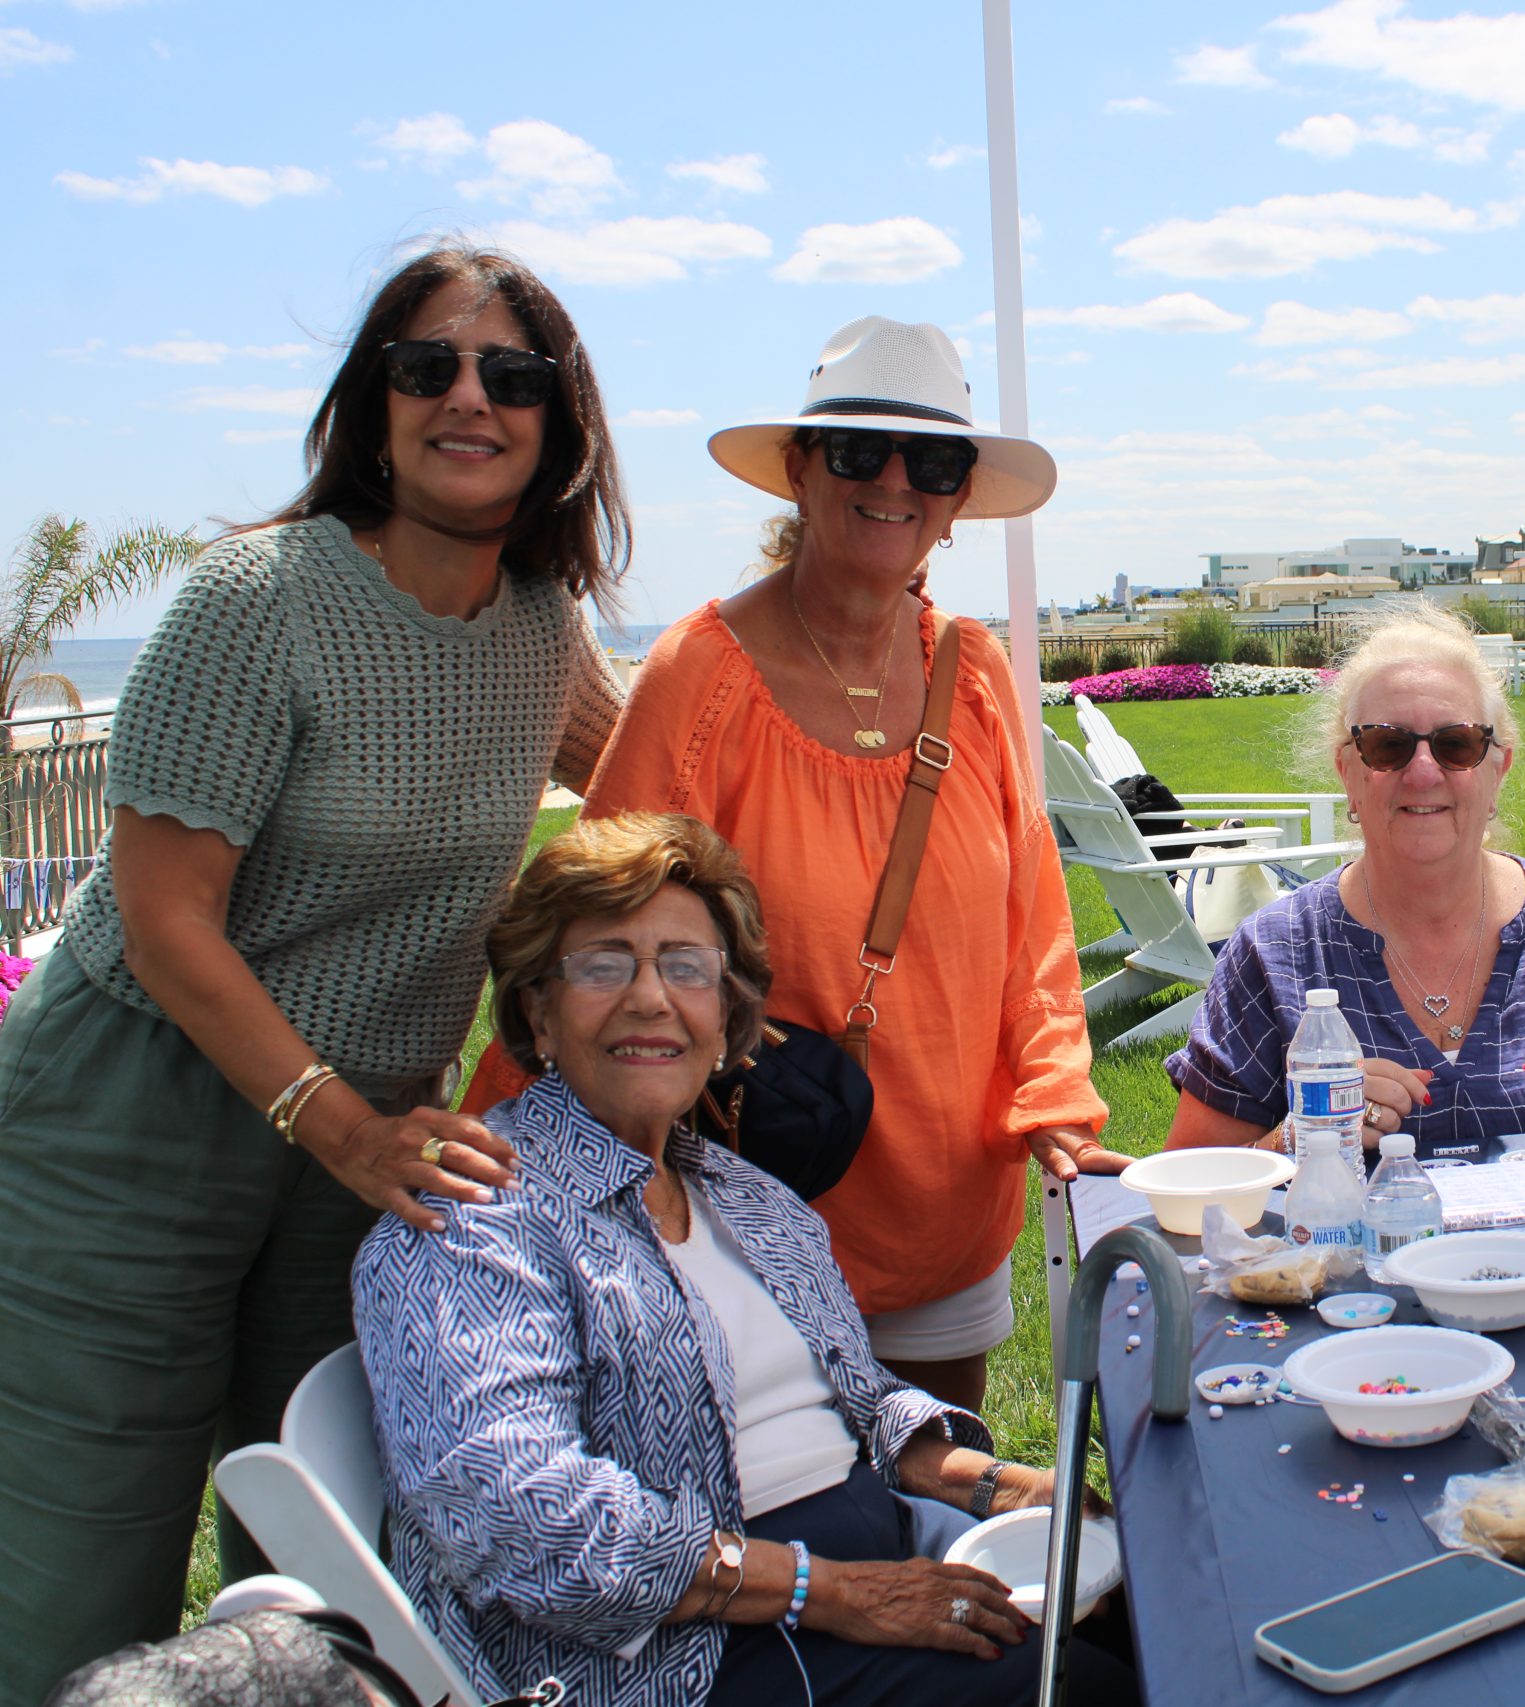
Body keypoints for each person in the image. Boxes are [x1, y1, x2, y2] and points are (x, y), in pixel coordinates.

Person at [0, 245, 628, 1700]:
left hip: (364, 1139)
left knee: (327, 1562)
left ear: (560, 425)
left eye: (512, 374)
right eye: (426, 365)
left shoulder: (543, 633)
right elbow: (164, 919)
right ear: (373, 403)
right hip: (136, 1110)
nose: (468, 397)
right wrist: (340, 1127)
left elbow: (669, 780)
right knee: (85, 1569)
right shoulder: (258, 599)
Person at [479, 317, 1120, 1413]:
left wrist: (1055, 1096)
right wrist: (496, 1146)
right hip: (741, 1202)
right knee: (770, 1495)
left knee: (936, 1485)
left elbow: (1034, 924)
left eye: (933, 462)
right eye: (859, 451)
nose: (895, 482)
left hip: (943, 1205)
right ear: (799, 471)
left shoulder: (973, 673)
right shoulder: (702, 674)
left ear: (959, 499)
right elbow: (588, 928)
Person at [357, 815, 1132, 1707]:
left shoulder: (744, 1195)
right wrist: (831, 1591)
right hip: (678, 1658)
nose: (651, 999)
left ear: (726, 1018)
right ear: (538, 1011)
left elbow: (859, 1399)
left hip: (858, 1571)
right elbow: (525, 1520)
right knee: (1099, 1690)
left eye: (687, 967)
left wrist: (994, 1484)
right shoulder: (471, 1218)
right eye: (603, 966)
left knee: (1157, 1600)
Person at [1163, 601, 1525, 1162]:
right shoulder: (1275, 952)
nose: (1424, 771)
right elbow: (1190, 1178)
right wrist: (1298, 1138)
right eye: (1388, 745)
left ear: (1497, 770)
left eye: (1457, 744)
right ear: (1348, 772)